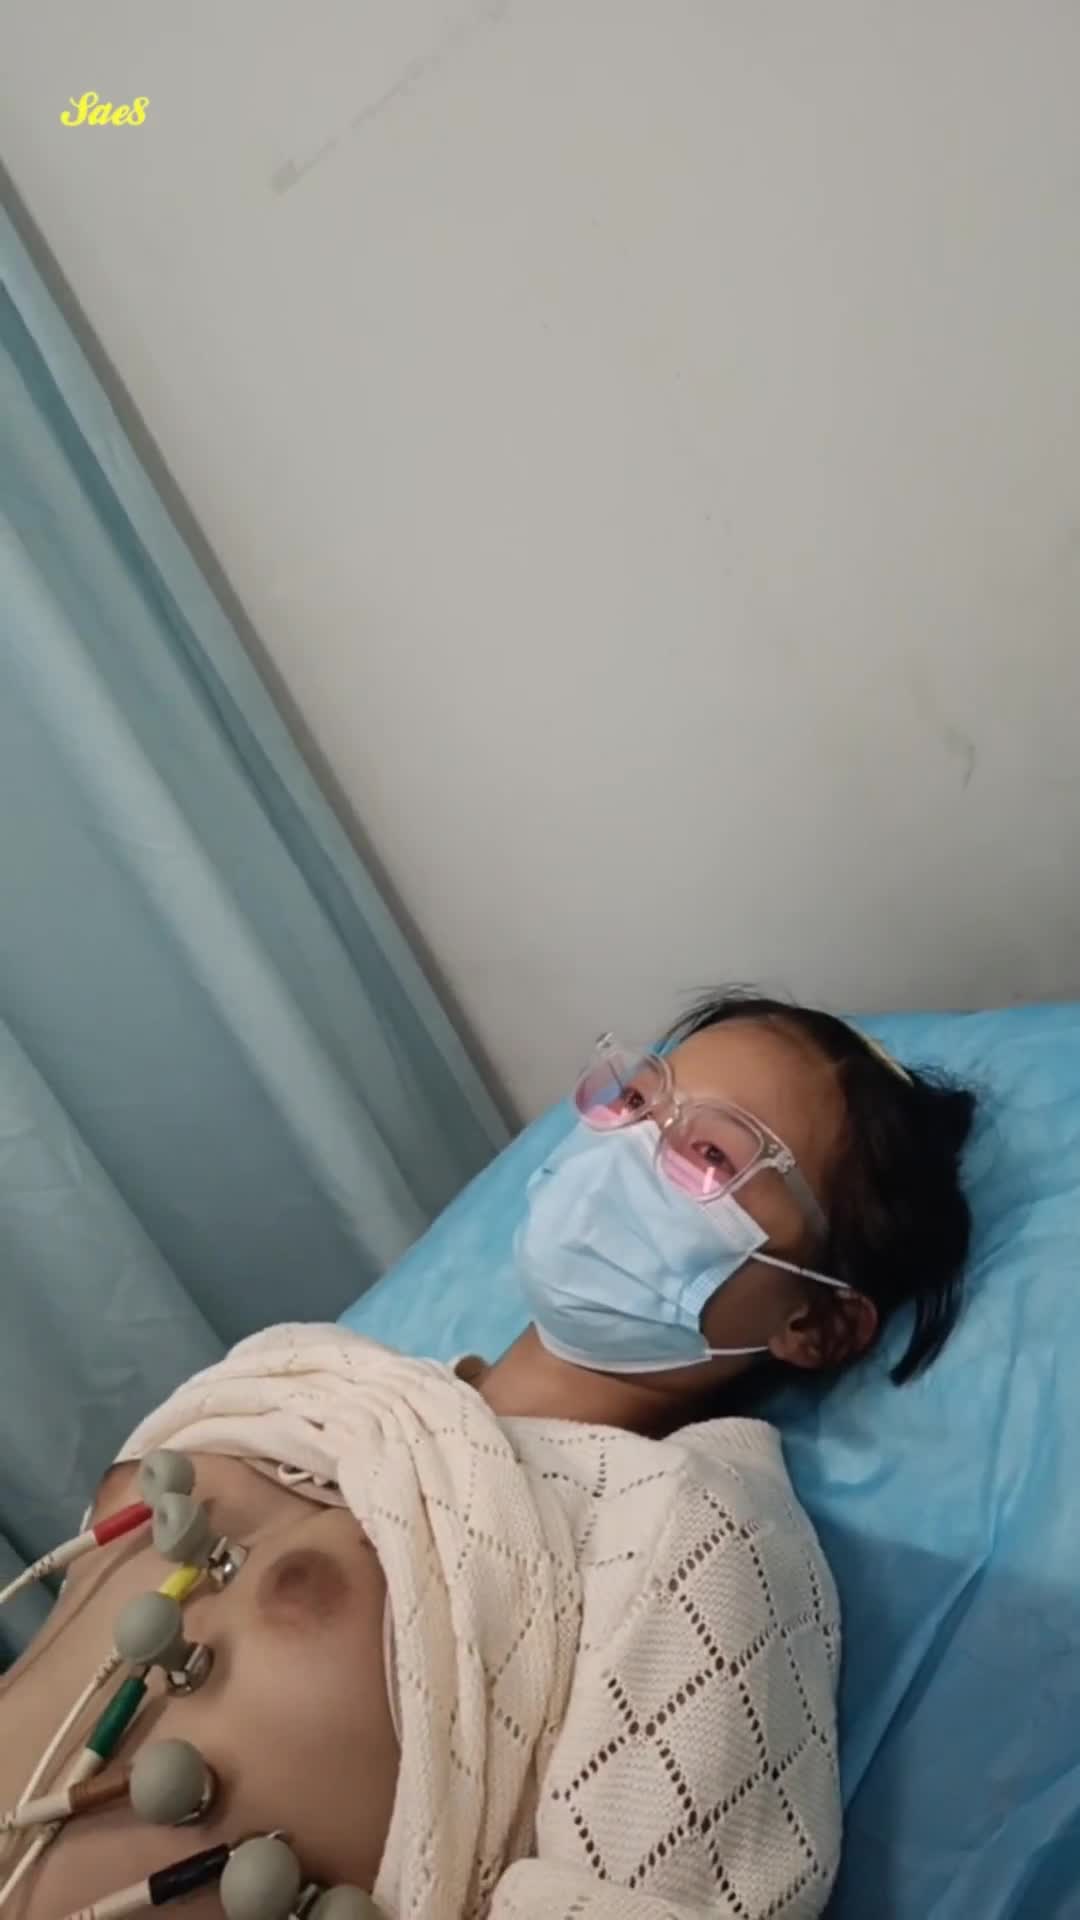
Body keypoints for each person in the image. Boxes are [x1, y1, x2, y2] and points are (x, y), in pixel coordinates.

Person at [0, 993, 975, 1920]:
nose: (632, 1150)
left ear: (815, 1325)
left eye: (710, 1154)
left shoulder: (696, 1531)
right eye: (637, 1100)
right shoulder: (302, 1374)